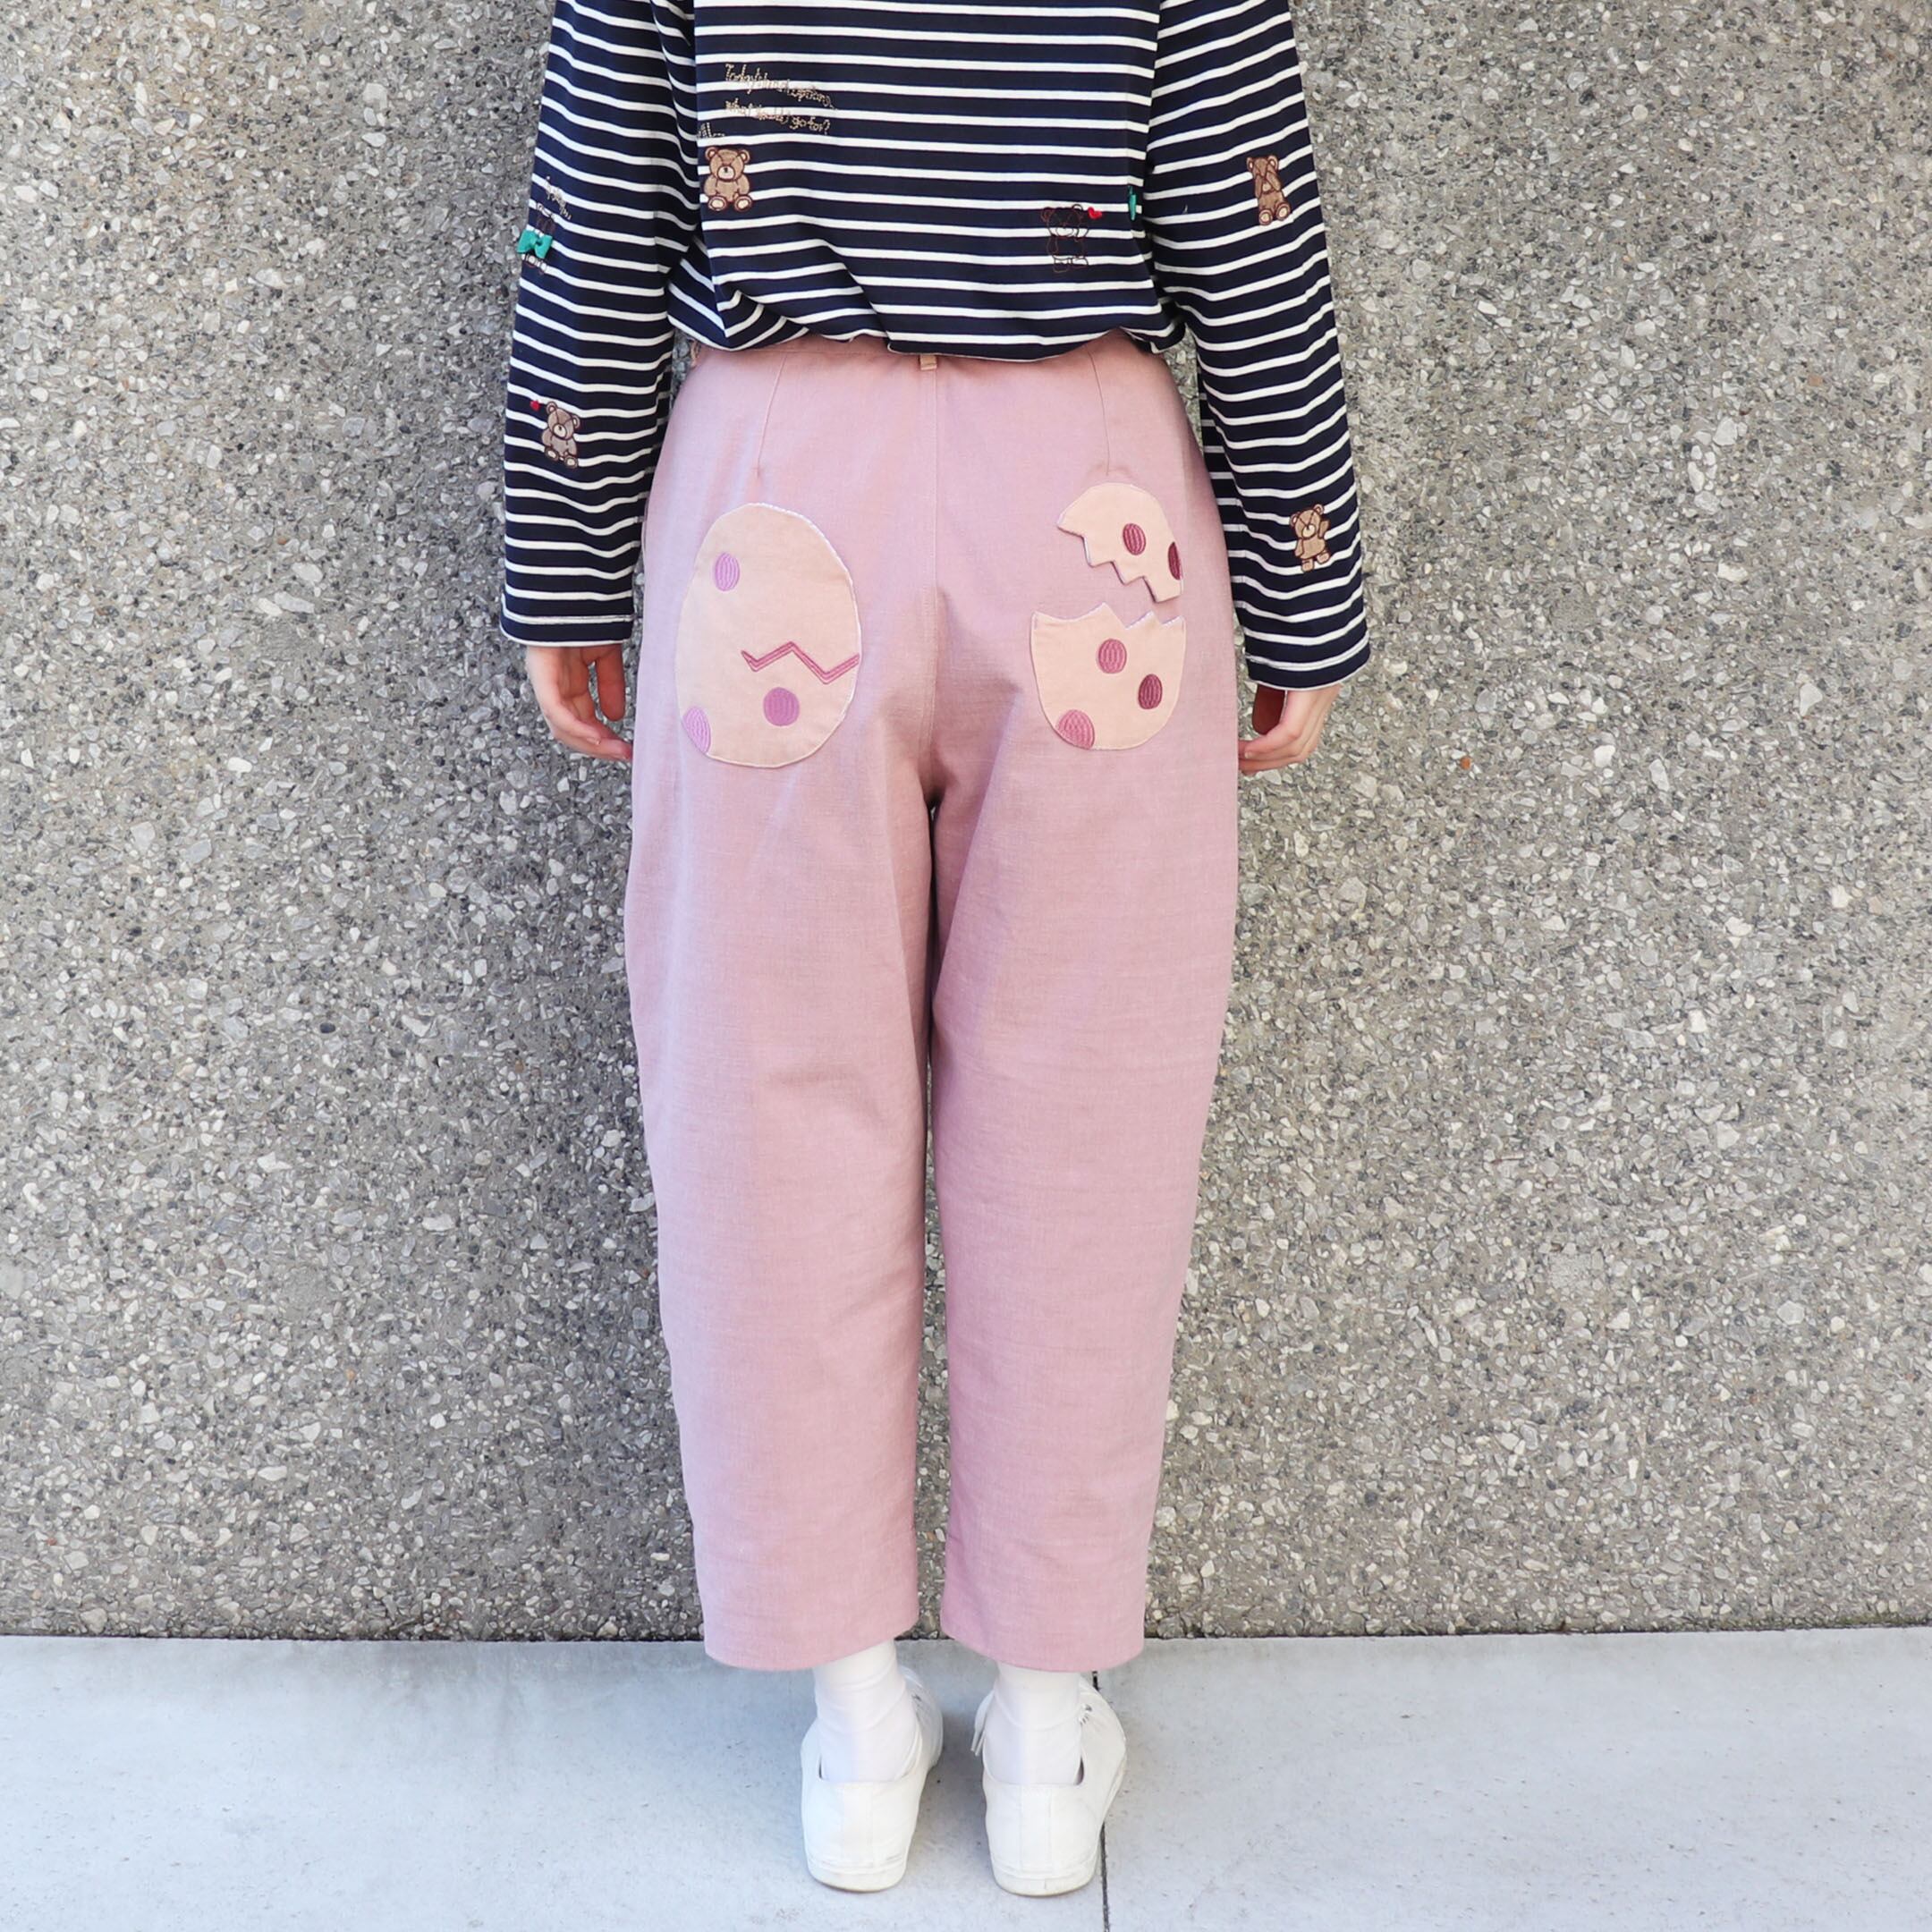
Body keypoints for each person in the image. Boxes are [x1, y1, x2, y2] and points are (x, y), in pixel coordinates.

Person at [499, 0, 1368, 1897]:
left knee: (768, 1109)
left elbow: (600, 205)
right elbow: (1253, 223)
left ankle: (853, 1722)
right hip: (1093, 516)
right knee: (1087, 1122)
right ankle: (1045, 1727)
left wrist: (565, 558)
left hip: (775, 496)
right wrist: (1304, 581)